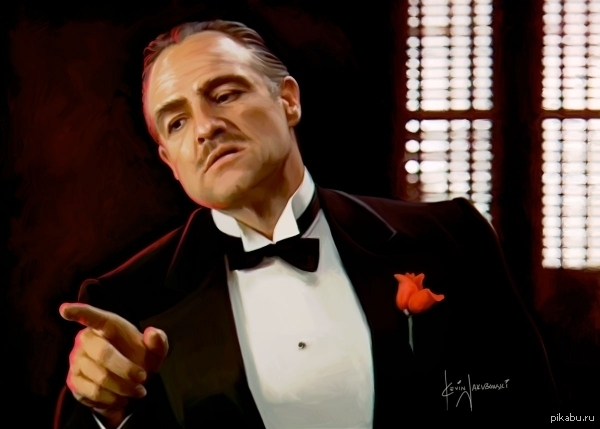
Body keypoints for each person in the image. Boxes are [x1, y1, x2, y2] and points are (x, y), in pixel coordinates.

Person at [54, 20, 559, 429]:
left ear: (289, 100)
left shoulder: (450, 239)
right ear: (170, 160)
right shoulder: (123, 303)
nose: (205, 127)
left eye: (224, 94)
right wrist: (107, 416)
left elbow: (533, 408)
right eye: (177, 122)